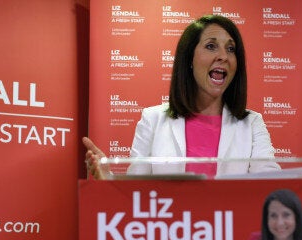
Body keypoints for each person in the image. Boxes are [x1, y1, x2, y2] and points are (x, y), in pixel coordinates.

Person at [83, 14, 279, 179]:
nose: (223, 56)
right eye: (211, 46)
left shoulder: (252, 124)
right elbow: (137, 192)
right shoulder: (153, 120)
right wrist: (108, 177)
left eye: (230, 49)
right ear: (189, 58)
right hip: (172, 225)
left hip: (230, 224)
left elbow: (269, 189)